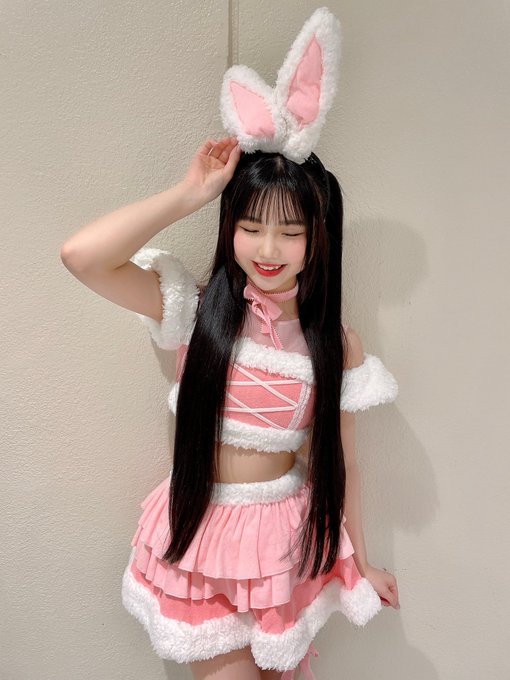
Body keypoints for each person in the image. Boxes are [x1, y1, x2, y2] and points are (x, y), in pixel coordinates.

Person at [60, 9, 400, 680]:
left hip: (286, 545)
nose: (269, 249)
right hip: (202, 537)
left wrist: (360, 563)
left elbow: (343, 463)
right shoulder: (196, 312)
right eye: (250, 227)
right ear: (229, 229)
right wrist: (190, 193)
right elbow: (82, 256)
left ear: (319, 239)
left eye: (291, 232)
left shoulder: (336, 345)